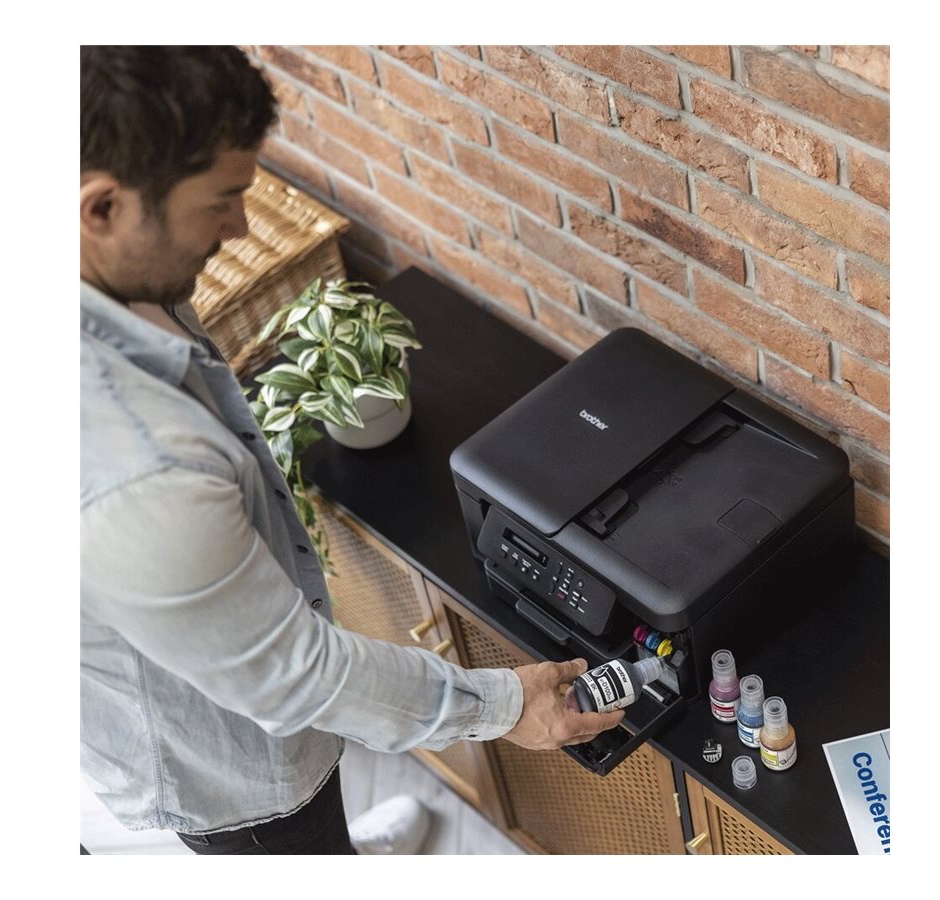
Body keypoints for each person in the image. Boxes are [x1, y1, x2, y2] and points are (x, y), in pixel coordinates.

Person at [80, 45, 625, 856]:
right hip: (236, 776)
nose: (239, 228)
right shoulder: (139, 472)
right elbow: (297, 678)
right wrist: (505, 705)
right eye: (221, 202)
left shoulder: (113, 276)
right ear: (102, 208)